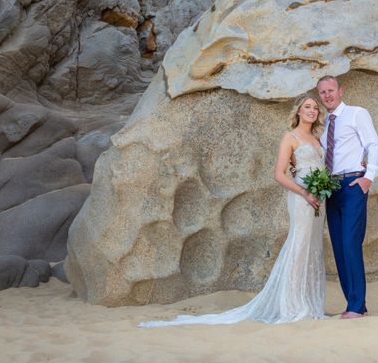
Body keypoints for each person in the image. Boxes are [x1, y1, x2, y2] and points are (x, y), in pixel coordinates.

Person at [139, 93, 327, 326]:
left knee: (313, 245)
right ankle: (292, 305)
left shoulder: (318, 138)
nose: (312, 110)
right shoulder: (290, 137)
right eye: (307, 106)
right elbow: (279, 174)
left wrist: (322, 188)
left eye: (315, 108)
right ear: (298, 110)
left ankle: (309, 302)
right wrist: (304, 193)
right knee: (299, 244)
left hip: (320, 199)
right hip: (302, 198)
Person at [316, 75, 378, 319]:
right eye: (322, 92)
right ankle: (354, 305)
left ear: (340, 91)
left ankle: (356, 306)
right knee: (338, 246)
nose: (327, 96)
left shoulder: (357, 113)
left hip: (353, 183)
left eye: (331, 90)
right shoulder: (324, 126)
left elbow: (373, 145)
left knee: (349, 243)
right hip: (331, 188)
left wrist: (368, 178)